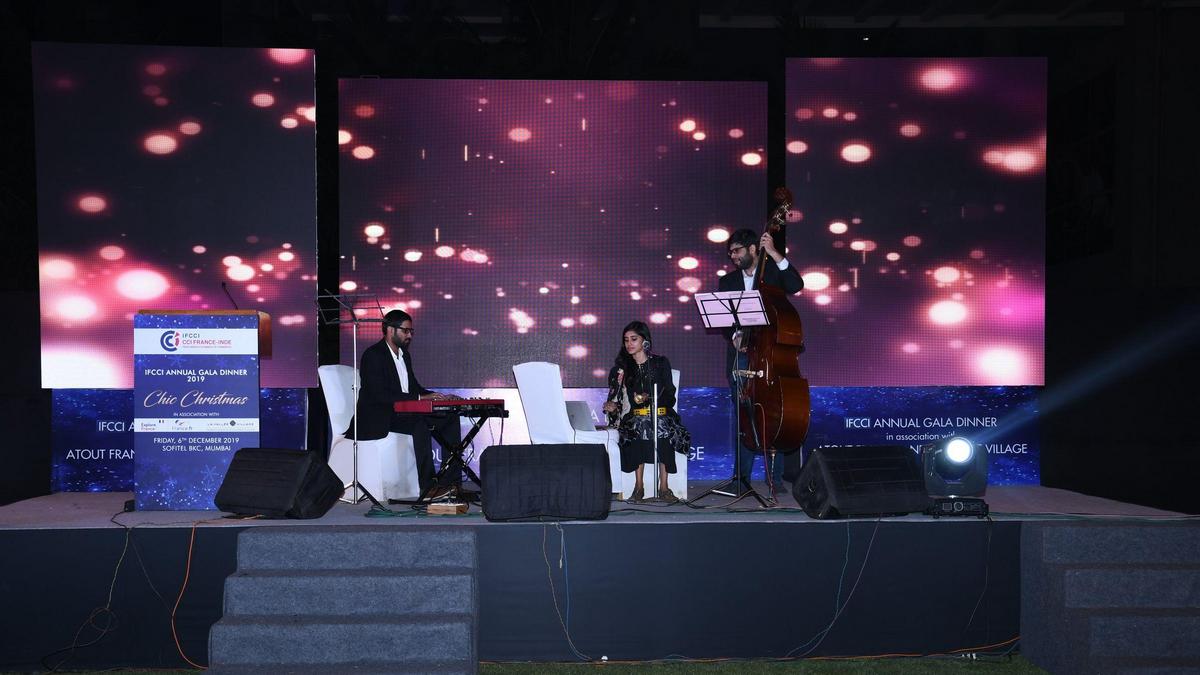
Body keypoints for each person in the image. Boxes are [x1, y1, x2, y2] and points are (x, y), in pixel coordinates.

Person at [716, 228, 804, 495]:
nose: (733, 256)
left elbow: (796, 285)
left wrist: (775, 253)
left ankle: (774, 478)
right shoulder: (727, 281)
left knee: (774, 412)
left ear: (753, 249)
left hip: (771, 355)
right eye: (730, 252)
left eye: (737, 251)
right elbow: (724, 320)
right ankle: (740, 479)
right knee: (744, 415)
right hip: (742, 355)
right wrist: (733, 335)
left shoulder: (773, 273)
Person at [346, 309, 462, 497]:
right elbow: (379, 395)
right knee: (419, 423)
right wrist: (420, 398)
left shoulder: (404, 355)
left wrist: (435, 396)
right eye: (405, 331)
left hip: (403, 412)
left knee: (449, 418)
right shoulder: (373, 355)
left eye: (411, 331)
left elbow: (414, 388)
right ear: (390, 330)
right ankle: (428, 487)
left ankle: (452, 483)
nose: (409, 335)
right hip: (379, 417)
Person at [603, 321, 691, 503]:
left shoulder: (660, 363)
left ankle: (664, 487)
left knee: (662, 425)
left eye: (634, 339)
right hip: (635, 416)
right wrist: (613, 407)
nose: (629, 343)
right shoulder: (621, 370)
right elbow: (619, 401)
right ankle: (639, 486)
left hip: (661, 413)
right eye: (626, 340)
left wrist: (650, 399)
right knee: (637, 427)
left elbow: (670, 394)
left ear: (645, 341)